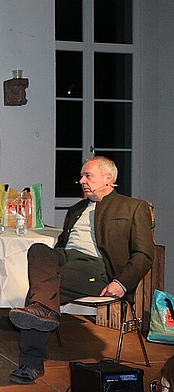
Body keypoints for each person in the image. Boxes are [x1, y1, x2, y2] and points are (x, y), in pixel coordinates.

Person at [8, 156, 154, 385]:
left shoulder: (133, 207)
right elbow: (62, 245)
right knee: (38, 250)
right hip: (66, 258)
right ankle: (43, 310)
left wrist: (122, 283)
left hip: (98, 268)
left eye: (88, 175)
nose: (82, 180)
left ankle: (31, 363)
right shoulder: (76, 209)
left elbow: (144, 254)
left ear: (108, 178)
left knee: (40, 292)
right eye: (82, 176)